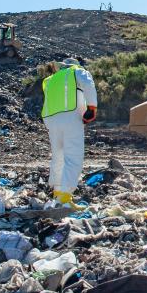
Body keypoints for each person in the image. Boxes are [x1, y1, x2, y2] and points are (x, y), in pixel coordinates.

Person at [41, 58, 97, 208]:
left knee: (58, 156)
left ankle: (57, 195)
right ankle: (65, 198)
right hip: (71, 117)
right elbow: (88, 84)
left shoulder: (50, 80)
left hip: (51, 121)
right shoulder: (76, 71)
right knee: (73, 157)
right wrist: (92, 108)